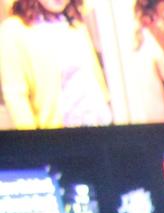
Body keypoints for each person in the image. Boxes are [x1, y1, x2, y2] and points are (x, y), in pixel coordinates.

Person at [0, 0, 111, 128]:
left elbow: (93, 75)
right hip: (61, 134)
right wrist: (33, 141)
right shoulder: (13, 31)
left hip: (99, 122)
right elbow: (15, 95)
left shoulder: (74, 23)